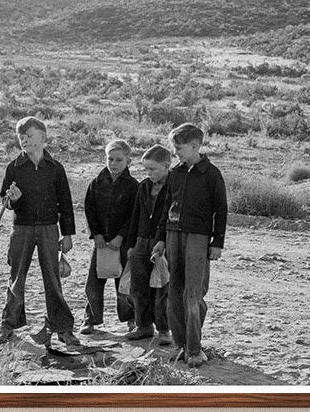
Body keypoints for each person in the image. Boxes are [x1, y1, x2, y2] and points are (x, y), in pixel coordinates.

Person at [0, 116, 79, 346]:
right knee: (16, 277)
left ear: (43, 137)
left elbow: (66, 203)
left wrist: (67, 234)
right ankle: (8, 325)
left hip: (50, 229)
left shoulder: (56, 168)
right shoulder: (14, 167)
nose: (24, 140)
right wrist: (12, 201)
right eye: (21, 136)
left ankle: (62, 327)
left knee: (53, 279)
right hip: (21, 229)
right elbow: (5, 200)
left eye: (29, 136)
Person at [153, 123, 227, 367]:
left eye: (179, 148)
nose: (175, 152)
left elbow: (221, 210)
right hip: (173, 236)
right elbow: (166, 207)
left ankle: (195, 350)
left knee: (193, 294)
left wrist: (217, 243)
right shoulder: (175, 173)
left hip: (198, 238)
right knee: (174, 293)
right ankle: (181, 346)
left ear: (195, 146)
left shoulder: (212, 174)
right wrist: (161, 239)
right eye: (174, 147)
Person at [80, 139, 138, 335]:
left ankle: (131, 319)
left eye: (119, 160)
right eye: (110, 159)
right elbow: (89, 210)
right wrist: (95, 234)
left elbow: (133, 215)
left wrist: (121, 236)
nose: (113, 163)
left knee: (124, 282)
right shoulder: (96, 183)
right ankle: (91, 318)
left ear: (128, 161)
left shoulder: (133, 186)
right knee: (94, 282)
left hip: (122, 243)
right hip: (101, 242)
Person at [126, 144, 172, 344]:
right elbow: (135, 215)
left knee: (162, 287)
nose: (149, 173)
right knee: (138, 286)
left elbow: (168, 216)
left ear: (167, 166)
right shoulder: (144, 186)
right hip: (142, 240)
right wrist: (131, 244)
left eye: (153, 169)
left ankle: (163, 329)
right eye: (147, 169)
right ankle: (143, 326)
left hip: (162, 241)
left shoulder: (174, 186)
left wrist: (162, 239)